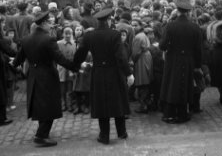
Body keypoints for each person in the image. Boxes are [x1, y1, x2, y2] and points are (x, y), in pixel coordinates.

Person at [13, 11, 75, 147]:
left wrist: (12, 65)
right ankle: (41, 135)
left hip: (33, 75)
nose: (51, 25)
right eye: (49, 22)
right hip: (47, 75)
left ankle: (43, 132)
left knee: (40, 105)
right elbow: (60, 59)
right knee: (50, 105)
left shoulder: (26, 39)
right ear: (43, 23)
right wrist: (74, 66)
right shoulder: (48, 39)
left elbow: (18, 60)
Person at [74, 8, 134, 145]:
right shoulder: (115, 35)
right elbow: (121, 57)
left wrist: (75, 66)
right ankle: (122, 132)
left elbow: (80, 53)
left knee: (101, 103)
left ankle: (104, 135)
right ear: (108, 20)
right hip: (114, 72)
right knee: (118, 101)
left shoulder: (90, 35)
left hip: (98, 72)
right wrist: (129, 73)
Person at [159, 0, 203, 123]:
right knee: (185, 85)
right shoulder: (195, 27)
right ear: (189, 12)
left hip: (173, 59)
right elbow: (198, 49)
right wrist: (198, 65)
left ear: (177, 11)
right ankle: (183, 113)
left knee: (171, 85)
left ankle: (170, 113)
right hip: (188, 60)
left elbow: (162, 46)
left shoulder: (170, 26)